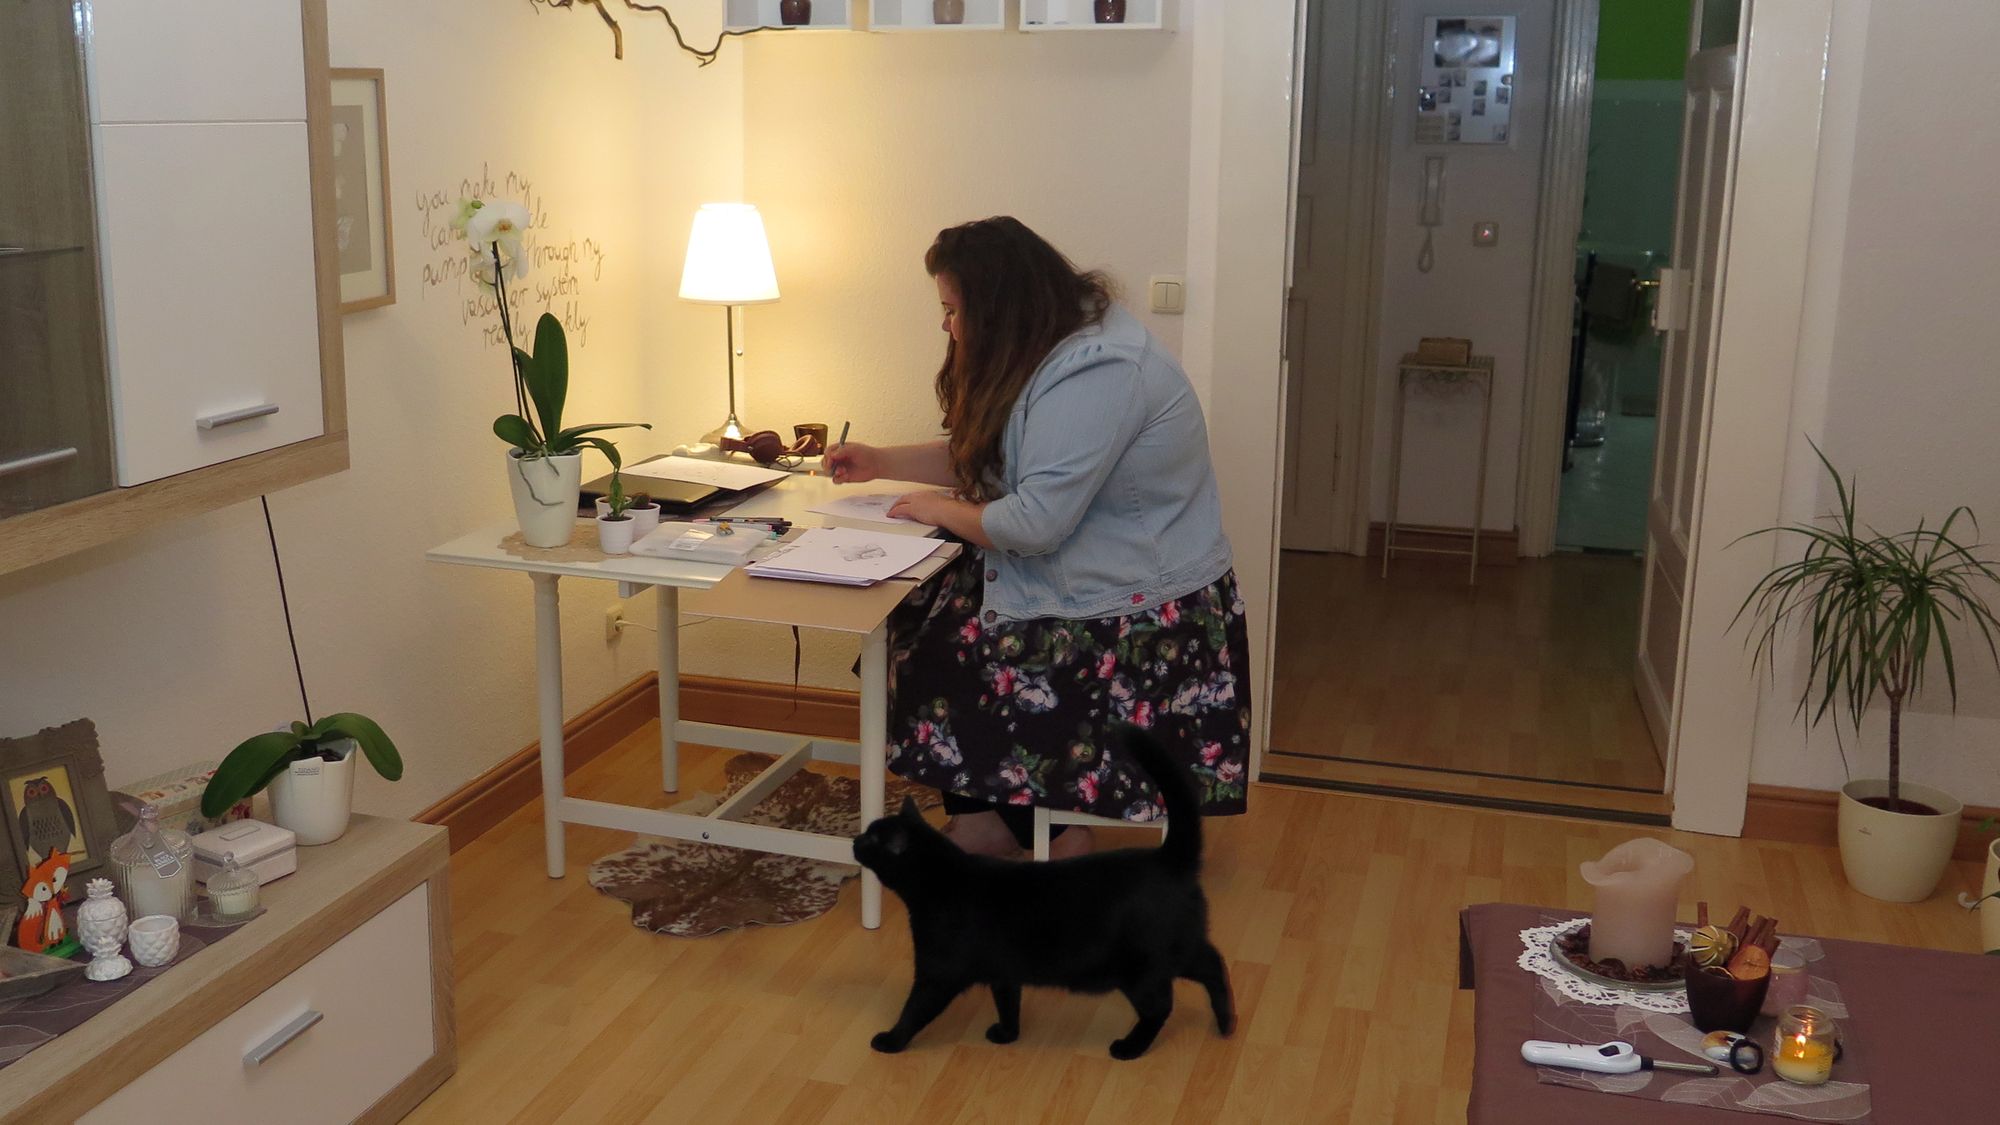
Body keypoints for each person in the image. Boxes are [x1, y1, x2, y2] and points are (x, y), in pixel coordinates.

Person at [827, 217, 1252, 859]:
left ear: (999, 307)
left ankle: (1055, 832)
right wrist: (881, 460)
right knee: (915, 626)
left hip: (1139, 599)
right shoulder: (1050, 346)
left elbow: (1033, 524)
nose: (946, 325)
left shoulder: (1100, 369)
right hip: (1084, 568)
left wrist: (940, 508)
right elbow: (995, 460)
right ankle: (991, 818)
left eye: (952, 310)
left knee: (950, 653)